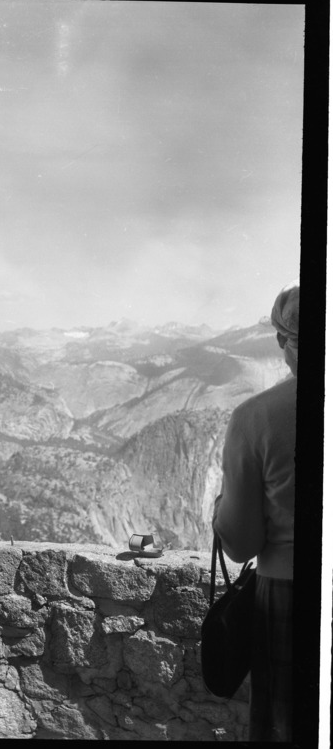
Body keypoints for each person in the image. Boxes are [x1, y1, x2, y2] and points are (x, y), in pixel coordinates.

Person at [212, 282, 298, 742]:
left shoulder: (256, 417)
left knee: (286, 726)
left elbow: (241, 543)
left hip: (287, 592)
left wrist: (220, 511)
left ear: (284, 339)